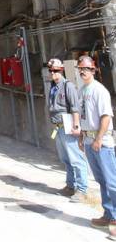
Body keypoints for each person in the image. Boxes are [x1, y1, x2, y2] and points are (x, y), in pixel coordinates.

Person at [77, 54, 116, 235]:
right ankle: (108, 214)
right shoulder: (82, 90)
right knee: (101, 181)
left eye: (86, 69)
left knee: (112, 182)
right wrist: (81, 137)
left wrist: (99, 139)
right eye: (80, 69)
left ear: (93, 70)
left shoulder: (99, 90)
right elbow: (84, 116)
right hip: (89, 140)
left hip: (102, 143)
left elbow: (106, 117)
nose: (83, 72)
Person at [46, 57, 88, 201]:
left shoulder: (67, 86)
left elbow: (75, 108)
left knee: (76, 159)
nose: (53, 73)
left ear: (61, 70)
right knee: (66, 159)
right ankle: (70, 186)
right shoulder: (53, 86)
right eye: (51, 71)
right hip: (58, 127)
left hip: (68, 126)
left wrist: (76, 127)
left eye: (56, 71)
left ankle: (82, 190)